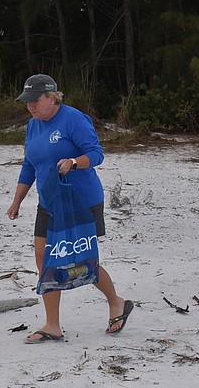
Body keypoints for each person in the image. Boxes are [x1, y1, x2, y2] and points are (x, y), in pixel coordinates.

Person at [7, 74, 133, 343]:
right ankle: (52, 324)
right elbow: (29, 165)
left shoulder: (73, 119)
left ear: (52, 98)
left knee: (83, 260)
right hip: (50, 201)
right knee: (44, 258)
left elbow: (96, 154)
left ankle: (116, 302)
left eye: (35, 100)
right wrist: (17, 200)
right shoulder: (33, 125)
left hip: (81, 201)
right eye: (27, 101)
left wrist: (74, 162)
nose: (30, 106)